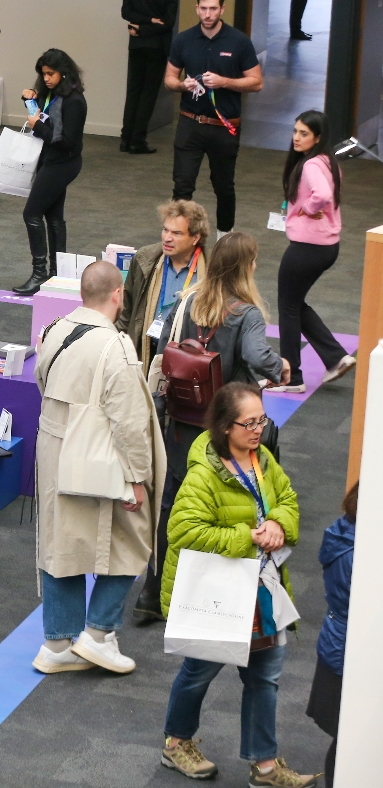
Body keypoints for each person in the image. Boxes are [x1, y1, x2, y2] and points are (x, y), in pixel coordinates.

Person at [159, 383, 314, 787]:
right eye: (250, 423)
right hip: (218, 595)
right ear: (226, 427)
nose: (259, 429)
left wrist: (278, 523)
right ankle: (177, 744)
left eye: (262, 419)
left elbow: (288, 499)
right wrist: (248, 537)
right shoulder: (204, 475)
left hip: (262, 590)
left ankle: (264, 766)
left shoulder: (261, 458)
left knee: (265, 676)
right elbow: (183, 530)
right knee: (199, 671)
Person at [136, 232, 290, 620]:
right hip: (226, 429)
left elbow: (160, 349)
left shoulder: (189, 301)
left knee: (174, 505)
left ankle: (152, 594)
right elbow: (257, 355)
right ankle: (206, 597)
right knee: (225, 509)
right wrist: (280, 367)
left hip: (181, 422)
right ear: (245, 268)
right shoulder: (246, 314)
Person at [32, 262, 164, 674]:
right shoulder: (117, 347)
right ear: (118, 294)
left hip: (52, 447)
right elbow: (129, 421)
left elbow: (40, 378)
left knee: (60, 547)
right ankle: (99, 633)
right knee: (133, 538)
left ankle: (57, 644)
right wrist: (137, 477)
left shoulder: (54, 329)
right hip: (96, 456)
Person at [165, 0, 263, 237]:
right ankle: (178, 238)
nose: (208, 14)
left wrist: (224, 82)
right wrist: (181, 85)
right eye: (203, 8)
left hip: (224, 125)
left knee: (223, 186)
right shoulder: (183, 40)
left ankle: (224, 240)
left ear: (222, 9)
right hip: (190, 122)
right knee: (182, 185)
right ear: (197, 8)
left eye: (213, 9)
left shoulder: (239, 41)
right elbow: (169, 79)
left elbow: (256, 81)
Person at [272, 110, 354, 393]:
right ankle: (335, 357)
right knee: (293, 303)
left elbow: (323, 196)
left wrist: (307, 208)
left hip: (308, 248)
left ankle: (291, 377)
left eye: (304, 133)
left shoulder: (310, 166)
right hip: (325, 247)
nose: (296, 137)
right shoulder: (327, 162)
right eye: (295, 131)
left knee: (288, 306)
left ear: (317, 138)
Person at [13, 49, 88, 296]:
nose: (46, 78)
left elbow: (65, 140)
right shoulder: (54, 95)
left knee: (32, 213)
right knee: (54, 217)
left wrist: (39, 127)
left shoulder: (75, 102)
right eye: (43, 73)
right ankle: (58, 273)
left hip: (63, 163)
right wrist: (29, 100)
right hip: (52, 161)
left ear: (64, 73)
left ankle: (40, 273)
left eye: (51, 74)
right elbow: (43, 115)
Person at [117, 200, 210, 365]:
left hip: (189, 357)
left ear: (195, 238)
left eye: (176, 233)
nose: (167, 238)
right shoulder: (144, 260)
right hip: (147, 352)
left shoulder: (212, 271)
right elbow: (126, 313)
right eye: (165, 230)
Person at [306, 482, 356, 788]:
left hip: (339, 650)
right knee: (350, 741)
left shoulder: (344, 533)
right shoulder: (358, 556)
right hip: (349, 658)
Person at [120, 0, 179, 154]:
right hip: (157, 46)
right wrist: (152, 22)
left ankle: (125, 138)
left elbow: (126, 12)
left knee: (133, 91)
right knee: (148, 93)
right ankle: (137, 140)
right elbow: (169, 23)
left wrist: (141, 26)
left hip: (136, 44)